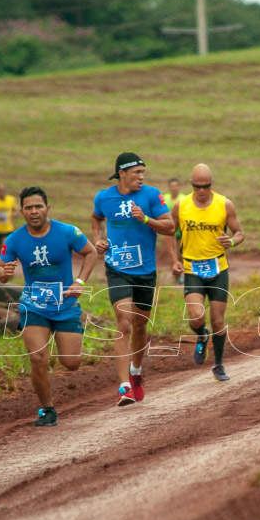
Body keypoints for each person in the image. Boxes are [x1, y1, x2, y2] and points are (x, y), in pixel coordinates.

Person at [0, 186, 97, 426]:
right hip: (34, 305)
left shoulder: (67, 231)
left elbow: (90, 252)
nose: (34, 211)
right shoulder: (14, 239)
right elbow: (0, 272)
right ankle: (47, 409)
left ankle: (71, 337)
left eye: (38, 206)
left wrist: (80, 281)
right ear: (21, 211)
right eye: (28, 207)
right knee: (38, 358)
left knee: (71, 363)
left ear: (47, 208)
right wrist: (4, 272)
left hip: (65, 304)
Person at [92, 152, 175, 406]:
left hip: (145, 271)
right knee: (124, 323)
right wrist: (97, 238)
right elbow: (96, 217)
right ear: (122, 174)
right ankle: (124, 386)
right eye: (137, 172)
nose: (141, 177)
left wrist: (146, 219)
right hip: (117, 268)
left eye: (143, 173)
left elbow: (170, 226)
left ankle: (136, 372)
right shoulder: (104, 197)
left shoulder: (151, 195)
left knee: (139, 326)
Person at [164, 164, 245, 381]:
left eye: (206, 186)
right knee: (196, 316)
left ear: (211, 185)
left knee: (218, 321)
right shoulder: (181, 206)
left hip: (218, 269)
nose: (201, 191)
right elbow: (169, 232)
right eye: (197, 186)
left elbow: (239, 232)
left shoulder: (224, 204)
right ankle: (201, 335)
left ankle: (218, 365)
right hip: (192, 268)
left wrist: (232, 241)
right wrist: (174, 259)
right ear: (191, 185)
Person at [164, 178, 190, 285]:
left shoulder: (183, 199)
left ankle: (182, 275)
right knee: (172, 253)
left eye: (176, 186)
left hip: (182, 231)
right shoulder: (165, 199)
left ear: (179, 187)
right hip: (170, 231)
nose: (174, 188)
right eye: (172, 186)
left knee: (181, 253)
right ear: (169, 187)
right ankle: (175, 274)